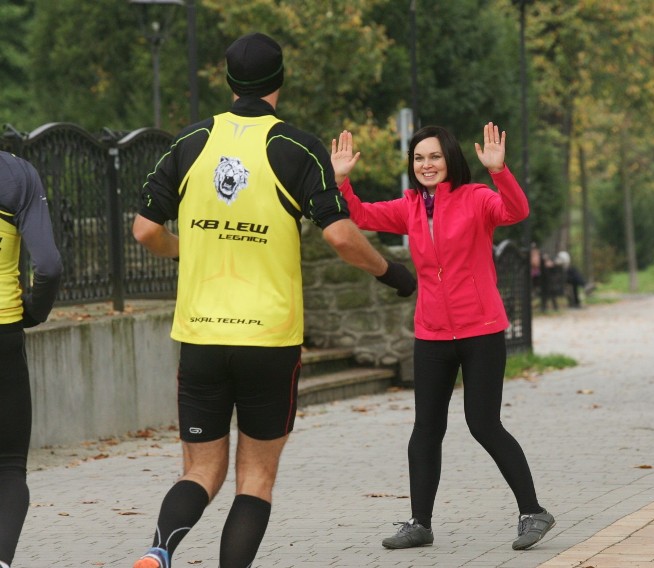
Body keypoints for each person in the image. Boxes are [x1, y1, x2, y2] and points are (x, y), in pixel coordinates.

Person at [130, 32, 416, 568]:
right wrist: (392, 272)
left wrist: (183, 250)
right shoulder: (297, 147)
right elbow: (339, 235)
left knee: (199, 472)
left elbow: (145, 230)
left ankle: (158, 551)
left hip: (201, 334)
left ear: (229, 81)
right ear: (279, 82)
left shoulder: (189, 142)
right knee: (255, 479)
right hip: (269, 338)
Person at [331, 123, 555, 551]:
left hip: (481, 329)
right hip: (431, 333)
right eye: (418, 158)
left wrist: (500, 170)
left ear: (449, 159)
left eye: (433, 156)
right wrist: (342, 181)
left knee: (483, 424)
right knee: (426, 429)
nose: (426, 164)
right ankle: (420, 523)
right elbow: (358, 215)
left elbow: (516, 211)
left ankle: (532, 511)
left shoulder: (476, 199)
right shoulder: (410, 206)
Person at [0, 151, 62, 568]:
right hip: (4, 331)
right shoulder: (16, 174)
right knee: (8, 467)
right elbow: (49, 266)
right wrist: (35, 312)